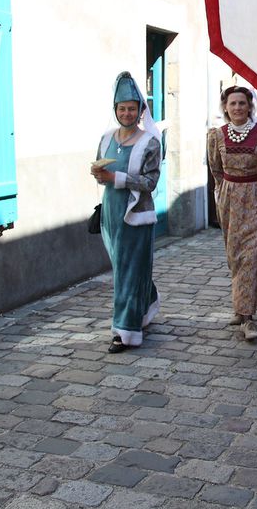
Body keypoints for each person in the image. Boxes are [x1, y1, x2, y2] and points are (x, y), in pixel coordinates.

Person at [91, 72, 162, 353]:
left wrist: (115, 178)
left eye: (132, 108)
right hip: (111, 211)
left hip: (136, 213)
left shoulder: (150, 142)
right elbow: (102, 174)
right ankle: (146, 304)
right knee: (127, 269)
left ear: (140, 110)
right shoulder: (106, 138)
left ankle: (125, 331)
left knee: (127, 272)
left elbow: (151, 182)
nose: (127, 113)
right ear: (116, 111)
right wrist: (99, 174)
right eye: (122, 108)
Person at [207, 85, 257, 342]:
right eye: (233, 103)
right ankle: (241, 307)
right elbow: (215, 169)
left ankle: (248, 318)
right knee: (236, 256)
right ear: (225, 107)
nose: (237, 107)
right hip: (230, 199)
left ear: (250, 106)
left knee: (253, 255)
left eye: (242, 103)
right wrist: (225, 194)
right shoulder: (216, 135)